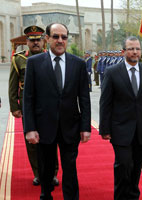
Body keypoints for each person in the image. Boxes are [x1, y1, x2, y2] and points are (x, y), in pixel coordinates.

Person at [23, 23, 91, 200]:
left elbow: (84, 98)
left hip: (70, 127)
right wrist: (29, 128)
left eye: (64, 37)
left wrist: (86, 127)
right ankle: (46, 196)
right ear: (47, 39)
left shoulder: (78, 64)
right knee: (45, 170)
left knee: (70, 168)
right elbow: (28, 98)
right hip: (43, 127)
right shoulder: (34, 63)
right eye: (56, 36)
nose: (60, 40)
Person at [99, 36, 142, 200]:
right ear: (124, 51)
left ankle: (133, 196)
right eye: (131, 49)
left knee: (136, 167)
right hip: (120, 129)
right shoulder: (112, 72)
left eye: (137, 49)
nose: (135, 52)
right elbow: (105, 103)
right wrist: (104, 129)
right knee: (123, 165)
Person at [9, 25, 59, 187]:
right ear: (27, 42)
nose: (36, 43)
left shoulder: (51, 57)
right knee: (32, 142)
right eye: (32, 41)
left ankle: (52, 174)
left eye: (38, 40)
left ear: (43, 41)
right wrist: (14, 106)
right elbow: (13, 84)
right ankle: (38, 174)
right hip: (27, 106)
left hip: (49, 106)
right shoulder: (19, 59)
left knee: (52, 140)